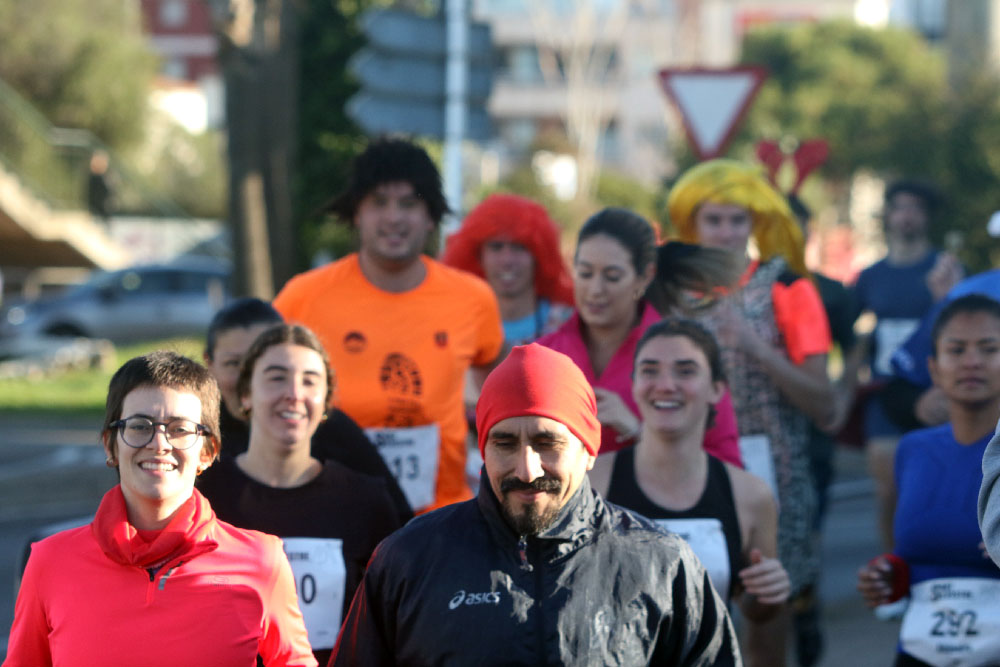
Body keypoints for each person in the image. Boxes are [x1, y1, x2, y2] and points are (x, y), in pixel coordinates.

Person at [329, 343, 742, 666]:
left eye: (547, 443)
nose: (527, 470)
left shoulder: (661, 565)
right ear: (483, 449)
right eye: (505, 443)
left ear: (589, 449)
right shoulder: (408, 561)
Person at [5, 351, 316, 666]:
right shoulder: (50, 561)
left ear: (208, 452)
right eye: (140, 426)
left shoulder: (262, 560)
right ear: (110, 445)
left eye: (180, 429)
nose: (159, 443)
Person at [273, 138, 504, 513]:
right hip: (331, 514)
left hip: (441, 519)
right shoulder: (303, 297)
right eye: (379, 202)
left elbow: (501, 391)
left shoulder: (473, 299)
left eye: (409, 204)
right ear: (357, 213)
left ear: (431, 216)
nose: (394, 217)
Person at [667, 159, 834, 667]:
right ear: (692, 224)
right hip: (687, 468)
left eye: (736, 219)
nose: (725, 232)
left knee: (766, 614)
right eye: (713, 219)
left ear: (756, 222)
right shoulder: (669, 293)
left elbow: (824, 404)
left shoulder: (789, 289)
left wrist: (758, 349)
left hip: (774, 473)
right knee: (683, 615)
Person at [198, 324, 403, 665]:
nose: (294, 393)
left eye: (310, 381)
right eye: (276, 378)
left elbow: (394, 621)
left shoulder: (366, 501)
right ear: (245, 394)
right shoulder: (203, 496)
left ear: (325, 402)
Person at [589, 318, 789, 667]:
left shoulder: (750, 496)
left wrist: (769, 593)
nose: (666, 385)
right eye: (650, 371)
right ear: (633, 384)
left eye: (685, 371)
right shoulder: (591, 483)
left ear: (717, 389)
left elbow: (758, 615)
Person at [536, 206, 743, 465]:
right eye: (585, 273)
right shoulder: (543, 357)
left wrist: (640, 432)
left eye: (612, 277)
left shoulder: (688, 357)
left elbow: (727, 466)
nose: (595, 289)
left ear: (645, 277)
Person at [859, 295, 1000, 666]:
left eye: (989, 349)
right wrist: (889, 577)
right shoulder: (913, 449)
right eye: (956, 350)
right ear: (934, 369)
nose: (972, 361)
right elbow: (911, 555)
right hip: (918, 654)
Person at [201, 298, 411, 523]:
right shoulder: (199, 446)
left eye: (309, 380)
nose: (293, 394)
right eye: (234, 364)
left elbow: (397, 521)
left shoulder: (337, 436)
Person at [850, 179, 961, 550]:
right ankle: (893, 565)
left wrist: (946, 298)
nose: (907, 216)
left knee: (940, 484)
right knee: (888, 490)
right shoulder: (871, 276)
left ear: (927, 217)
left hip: (935, 391)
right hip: (885, 393)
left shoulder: (946, 269)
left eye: (916, 208)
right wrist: (843, 392)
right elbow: (854, 338)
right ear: (888, 215)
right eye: (900, 207)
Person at [441, 192, 574, 347]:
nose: (507, 260)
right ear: (478, 256)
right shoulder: (455, 326)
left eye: (519, 247)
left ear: (539, 255)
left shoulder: (571, 324)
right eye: (496, 247)